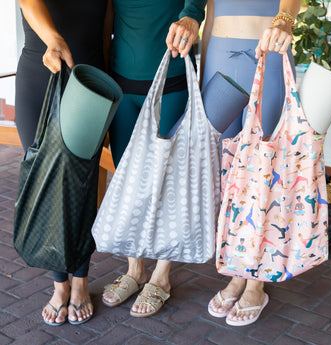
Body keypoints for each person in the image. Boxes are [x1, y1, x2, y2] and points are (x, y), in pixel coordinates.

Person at [101, 0, 207, 318]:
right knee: (127, 180)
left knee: (167, 182)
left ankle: (162, 275)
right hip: (121, 81)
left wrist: (191, 16)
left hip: (171, 82)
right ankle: (136, 270)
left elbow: (194, 6)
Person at [200, 0, 302, 326]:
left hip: (268, 50)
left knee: (263, 170)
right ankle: (236, 269)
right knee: (227, 170)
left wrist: (285, 19)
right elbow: (211, 10)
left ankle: (254, 280)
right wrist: (202, 67)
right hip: (218, 51)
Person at [15, 0, 112, 326]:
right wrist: (53, 39)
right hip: (41, 75)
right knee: (45, 185)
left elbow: (106, 28)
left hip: (91, 83)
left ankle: (81, 282)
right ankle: (60, 285)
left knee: (83, 188)